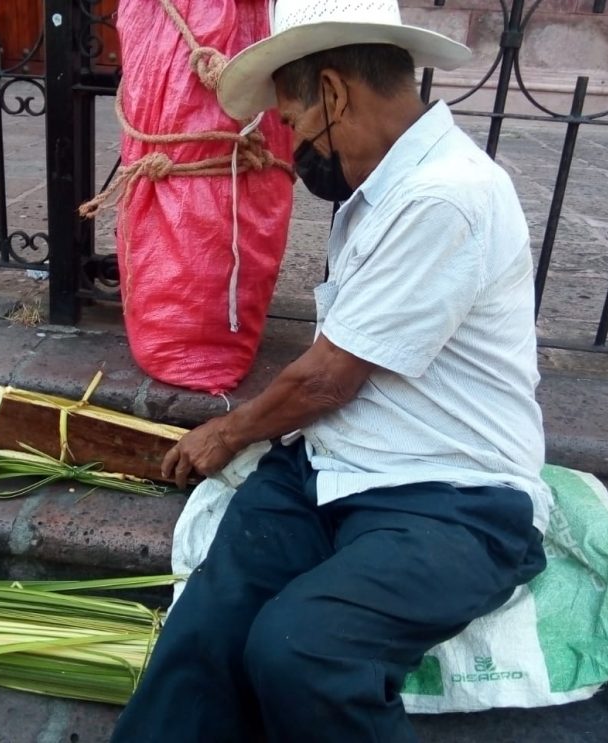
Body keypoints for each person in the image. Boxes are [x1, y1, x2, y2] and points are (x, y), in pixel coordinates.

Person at [111, 1, 551, 740]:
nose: (296, 148)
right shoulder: (380, 187)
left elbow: (326, 379)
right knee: (206, 631)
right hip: (329, 468)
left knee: (302, 648)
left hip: (452, 497)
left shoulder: (447, 194)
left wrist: (227, 432)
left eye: (296, 125)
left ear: (337, 93)